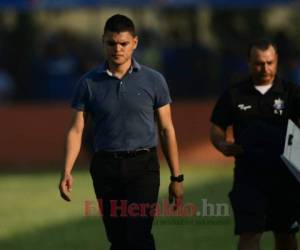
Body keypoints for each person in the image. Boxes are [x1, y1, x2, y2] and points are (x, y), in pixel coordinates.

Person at [59, 14, 183, 250]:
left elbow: (167, 129)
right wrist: (67, 171)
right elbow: (76, 130)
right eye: (111, 43)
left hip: (143, 167)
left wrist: (177, 178)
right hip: (106, 167)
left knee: (139, 235)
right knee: (118, 239)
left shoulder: (154, 80)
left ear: (134, 42)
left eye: (124, 43)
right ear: (103, 41)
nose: (118, 49)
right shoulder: (88, 83)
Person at [210, 38, 300, 250]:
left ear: (276, 61)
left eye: (270, 62)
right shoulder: (235, 94)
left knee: (286, 235)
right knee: (249, 234)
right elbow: (216, 128)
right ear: (249, 62)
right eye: (259, 63)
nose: (265, 68)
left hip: (286, 177)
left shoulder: (292, 93)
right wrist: (222, 145)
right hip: (249, 177)